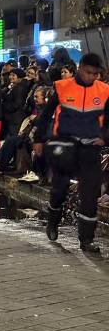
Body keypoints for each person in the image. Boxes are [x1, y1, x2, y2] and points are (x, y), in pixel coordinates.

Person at [33, 53, 109, 253]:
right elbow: (46, 114)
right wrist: (39, 139)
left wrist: (105, 137)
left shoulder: (105, 91)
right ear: (80, 68)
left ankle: (86, 239)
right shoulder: (62, 86)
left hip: (91, 148)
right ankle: (53, 222)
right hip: (65, 146)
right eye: (88, 72)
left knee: (90, 194)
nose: (91, 77)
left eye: (95, 73)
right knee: (59, 189)